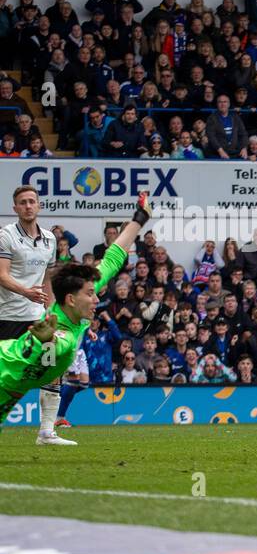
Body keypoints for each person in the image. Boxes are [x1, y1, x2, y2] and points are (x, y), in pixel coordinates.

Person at [0, 194, 152, 429]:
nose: (96, 299)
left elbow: (113, 258)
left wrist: (140, 218)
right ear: (70, 299)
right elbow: (58, 343)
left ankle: (48, 430)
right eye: (91, 295)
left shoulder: (75, 303)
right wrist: (47, 339)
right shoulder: (61, 332)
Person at [0, 185, 65, 443]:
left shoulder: (50, 239)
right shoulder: (6, 236)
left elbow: (47, 279)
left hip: (37, 319)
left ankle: (47, 432)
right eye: (22, 202)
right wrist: (26, 292)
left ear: (39, 205)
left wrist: (49, 311)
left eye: (32, 201)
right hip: (8, 317)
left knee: (52, 366)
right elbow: (1, 275)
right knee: (6, 376)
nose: (28, 206)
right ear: (15, 208)